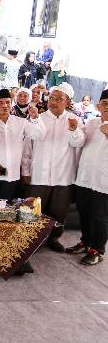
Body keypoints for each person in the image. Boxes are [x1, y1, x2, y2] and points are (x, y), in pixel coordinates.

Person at [24, 83, 84, 252]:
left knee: (59, 210)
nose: (54, 102)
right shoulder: (39, 118)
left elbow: (79, 142)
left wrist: (73, 130)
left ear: (67, 101)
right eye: (51, 98)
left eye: (59, 99)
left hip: (63, 175)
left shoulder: (74, 120)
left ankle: (53, 238)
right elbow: (28, 147)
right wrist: (26, 170)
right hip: (39, 174)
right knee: (34, 209)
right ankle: (30, 239)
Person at [0, 89, 44, 202]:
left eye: (8, 102)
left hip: (11, 175)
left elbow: (39, 135)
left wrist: (36, 118)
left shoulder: (21, 122)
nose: (5, 105)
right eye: (0, 103)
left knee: (6, 212)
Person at [69, 89, 108, 265]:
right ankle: (86, 242)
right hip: (85, 177)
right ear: (99, 105)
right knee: (84, 211)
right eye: (105, 103)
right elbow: (79, 142)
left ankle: (98, 250)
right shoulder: (92, 122)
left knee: (100, 216)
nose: (107, 107)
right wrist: (74, 129)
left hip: (103, 181)